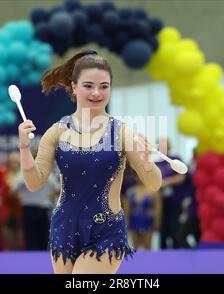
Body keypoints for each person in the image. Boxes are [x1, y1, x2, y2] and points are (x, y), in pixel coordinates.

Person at [18, 49, 162, 274]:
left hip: (106, 231)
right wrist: (24, 148)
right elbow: (35, 183)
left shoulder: (122, 133)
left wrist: (146, 163)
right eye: (88, 86)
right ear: (74, 87)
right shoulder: (56, 132)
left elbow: (153, 184)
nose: (96, 92)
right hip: (64, 229)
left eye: (104, 86)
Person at [14, 147, 59, 251]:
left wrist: (23, 195)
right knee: (42, 239)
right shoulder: (48, 173)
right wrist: (47, 195)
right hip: (39, 208)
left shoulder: (24, 172)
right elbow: (58, 190)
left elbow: (15, 189)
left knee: (32, 238)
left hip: (31, 208)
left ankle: (32, 261)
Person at [156, 138, 186, 249]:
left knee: (175, 230)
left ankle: (177, 256)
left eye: (165, 146)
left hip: (175, 202)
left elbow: (181, 177)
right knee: (163, 232)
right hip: (161, 204)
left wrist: (165, 182)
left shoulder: (175, 160)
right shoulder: (156, 164)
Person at [123, 169, 161, 250]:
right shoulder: (130, 191)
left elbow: (158, 209)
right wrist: (126, 222)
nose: (140, 178)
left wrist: (157, 221)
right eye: (138, 176)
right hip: (134, 220)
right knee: (135, 247)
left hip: (148, 221)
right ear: (135, 177)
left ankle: (148, 262)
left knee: (148, 246)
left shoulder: (153, 191)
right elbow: (126, 209)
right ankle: (137, 262)